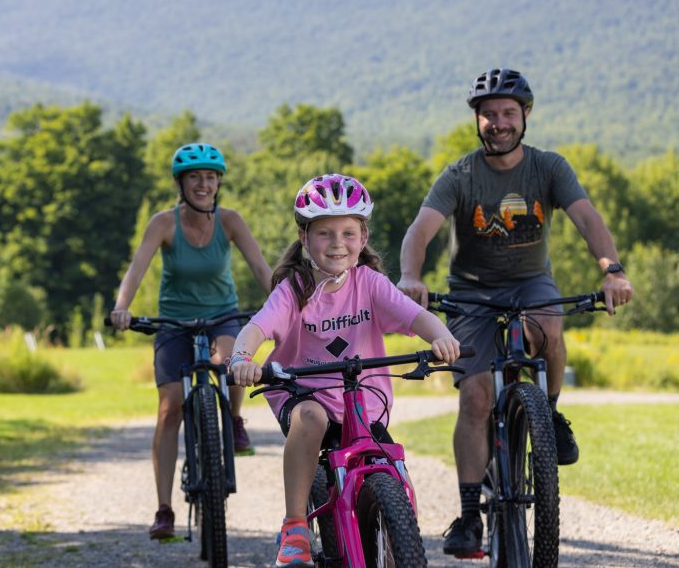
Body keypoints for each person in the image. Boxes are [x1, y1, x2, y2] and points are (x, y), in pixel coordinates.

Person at [396, 67, 635, 557]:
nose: (499, 122)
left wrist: (613, 269)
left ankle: (548, 415)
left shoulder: (548, 168)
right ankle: (468, 516)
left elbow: (587, 217)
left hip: (531, 284)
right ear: (478, 120)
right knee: (476, 397)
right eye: (489, 115)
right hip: (471, 293)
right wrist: (411, 277)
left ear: (525, 116)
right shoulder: (459, 175)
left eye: (508, 113)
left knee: (549, 324)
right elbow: (420, 230)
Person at [230, 173, 461, 568]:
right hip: (301, 393)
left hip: (361, 400)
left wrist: (442, 337)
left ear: (363, 236)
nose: (337, 243)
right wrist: (241, 358)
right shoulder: (294, 288)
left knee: (390, 466)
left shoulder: (370, 283)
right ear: (304, 238)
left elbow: (416, 315)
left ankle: (397, 539)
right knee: (312, 416)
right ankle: (296, 527)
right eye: (324, 233)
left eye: (348, 232)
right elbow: (258, 327)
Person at [110, 142, 273, 540]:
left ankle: (234, 422)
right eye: (195, 177)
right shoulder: (163, 224)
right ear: (180, 183)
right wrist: (122, 307)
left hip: (223, 315)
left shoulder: (231, 221)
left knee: (233, 362)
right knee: (169, 410)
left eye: (210, 177)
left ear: (219, 183)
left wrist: (286, 306)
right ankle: (164, 509)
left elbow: (259, 267)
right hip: (174, 323)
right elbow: (136, 269)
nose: (204, 184)